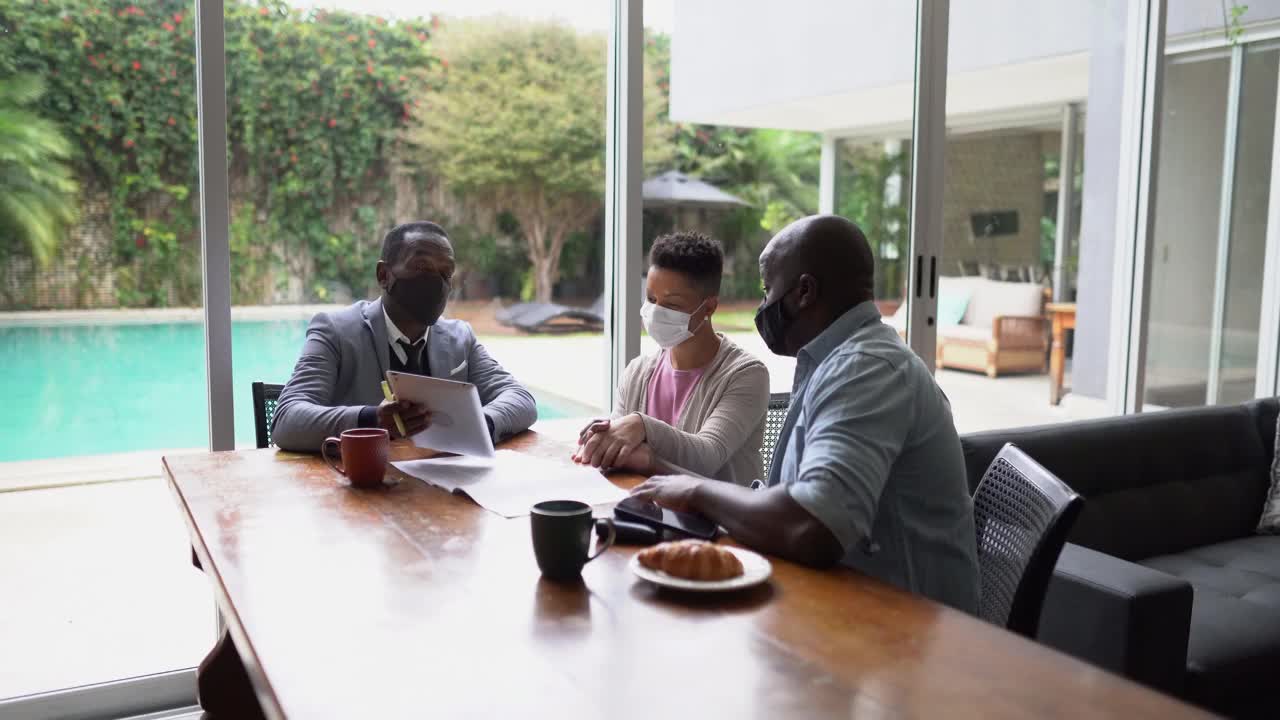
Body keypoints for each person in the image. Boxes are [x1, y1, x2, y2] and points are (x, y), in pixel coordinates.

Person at [630, 215, 980, 612]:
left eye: (767, 291)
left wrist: (695, 491)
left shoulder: (865, 369)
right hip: (849, 609)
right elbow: (789, 501)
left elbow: (813, 525)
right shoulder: (831, 362)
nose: (763, 307)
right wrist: (666, 473)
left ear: (804, 292)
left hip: (907, 636)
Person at [272, 221, 537, 452]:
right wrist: (371, 420)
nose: (437, 282)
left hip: (437, 493)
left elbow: (520, 398)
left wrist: (479, 425)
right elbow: (287, 420)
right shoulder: (336, 332)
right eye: (422, 267)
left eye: (446, 273)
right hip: (360, 493)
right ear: (384, 275)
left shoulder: (459, 338)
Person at [573, 232, 768, 484]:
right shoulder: (637, 372)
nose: (655, 312)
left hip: (720, 520)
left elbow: (708, 456)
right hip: (647, 513)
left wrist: (641, 426)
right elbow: (620, 441)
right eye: (651, 299)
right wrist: (604, 437)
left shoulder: (747, 374)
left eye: (672, 305)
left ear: (709, 308)